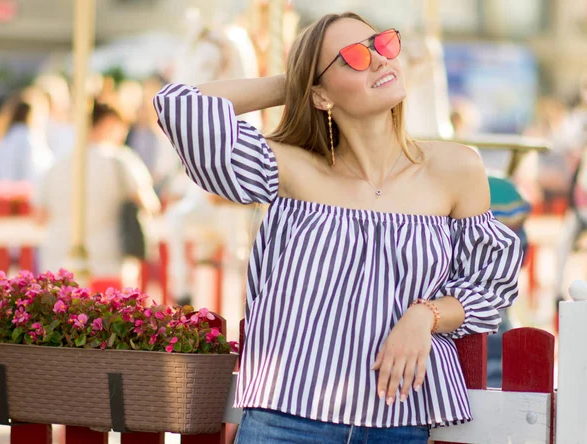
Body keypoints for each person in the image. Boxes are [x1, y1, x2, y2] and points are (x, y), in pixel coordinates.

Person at [154, 12, 522, 443]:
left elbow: (488, 286)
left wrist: (426, 315)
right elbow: (178, 105)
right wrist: (295, 84)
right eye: (353, 57)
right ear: (322, 96)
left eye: (382, 45)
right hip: (285, 421)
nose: (380, 60)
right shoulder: (290, 167)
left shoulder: (456, 168)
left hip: (399, 424)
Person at [34, 102, 160, 282]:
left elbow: (39, 216)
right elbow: (149, 204)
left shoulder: (56, 164)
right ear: (109, 123)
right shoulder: (121, 160)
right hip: (109, 262)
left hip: (59, 261)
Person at [0, 87, 54, 186]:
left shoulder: (4, 139)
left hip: (4, 194)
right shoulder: (29, 139)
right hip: (24, 196)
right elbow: (36, 171)